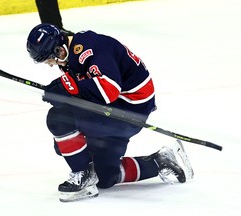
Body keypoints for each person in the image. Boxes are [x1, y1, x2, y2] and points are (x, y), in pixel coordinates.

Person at [26, 24, 194, 202]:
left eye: (51, 59)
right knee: (106, 177)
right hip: (114, 111)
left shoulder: (90, 49)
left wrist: (69, 88)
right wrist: (64, 90)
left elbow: (109, 90)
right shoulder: (71, 56)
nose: (52, 64)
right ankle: (160, 161)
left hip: (127, 112)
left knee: (58, 119)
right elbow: (86, 92)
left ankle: (82, 174)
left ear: (59, 48)